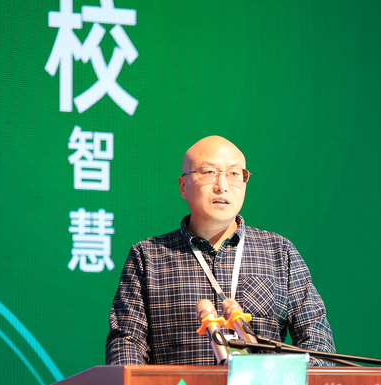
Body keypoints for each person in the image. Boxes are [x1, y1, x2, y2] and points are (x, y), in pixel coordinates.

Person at [106, 135, 336, 366]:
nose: (222, 185)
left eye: (234, 174)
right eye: (209, 172)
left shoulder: (279, 252)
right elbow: (127, 344)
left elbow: (318, 342)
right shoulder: (147, 257)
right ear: (183, 186)